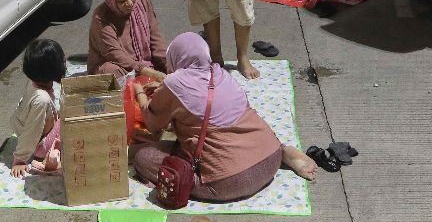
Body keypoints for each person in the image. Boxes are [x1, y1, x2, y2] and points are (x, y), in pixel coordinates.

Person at [129, 33, 318, 202]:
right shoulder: (219, 73)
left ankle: (202, 176)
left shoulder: (173, 83)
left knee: (143, 157)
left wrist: (140, 93)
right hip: (270, 156)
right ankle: (284, 152)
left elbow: (154, 124)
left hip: (229, 182)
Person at [88, 0, 168, 80]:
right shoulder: (101, 17)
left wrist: (167, 64)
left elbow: (155, 38)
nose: (130, 3)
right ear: (111, 0)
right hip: (119, 65)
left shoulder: (143, 2)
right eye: (122, 1)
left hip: (145, 64)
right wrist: (146, 71)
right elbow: (114, 54)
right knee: (110, 72)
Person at [10, 38, 66, 177]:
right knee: (71, 115)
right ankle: (50, 159)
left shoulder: (34, 81)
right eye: (62, 61)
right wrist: (20, 159)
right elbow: (32, 130)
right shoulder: (41, 99)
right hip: (40, 145)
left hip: (31, 130)